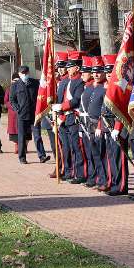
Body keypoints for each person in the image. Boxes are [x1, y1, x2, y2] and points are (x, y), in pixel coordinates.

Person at [52, 51, 86, 182]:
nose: (67, 68)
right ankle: (68, 171)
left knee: (76, 147)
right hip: (64, 118)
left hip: (73, 117)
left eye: (70, 66)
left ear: (77, 68)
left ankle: (79, 173)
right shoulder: (67, 81)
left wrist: (62, 107)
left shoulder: (79, 82)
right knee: (66, 147)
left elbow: (76, 100)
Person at [99, 54, 129, 196]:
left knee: (119, 157)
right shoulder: (108, 87)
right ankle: (114, 182)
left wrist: (117, 128)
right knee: (111, 156)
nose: (108, 76)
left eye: (110, 72)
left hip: (118, 127)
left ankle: (122, 185)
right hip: (108, 125)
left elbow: (121, 109)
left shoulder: (120, 87)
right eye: (107, 72)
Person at [85, 57, 109, 189]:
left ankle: (104, 180)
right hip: (90, 124)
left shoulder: (105, 88)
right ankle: (99, 178)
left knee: (101, 154)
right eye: (94, 72)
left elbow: (103, 110)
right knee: (94, 153)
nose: (96, 74)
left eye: (99, 71)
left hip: (100, 125)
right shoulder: (94, 87)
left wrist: (100, 125)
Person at [10, 66, 40, 164]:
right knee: (22, 137)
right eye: (22, 73)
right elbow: (12, 100)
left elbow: (40, 95)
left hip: (33, 114)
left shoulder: (35, 83)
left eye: (26, 73)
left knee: (37, 136)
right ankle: (22, 157)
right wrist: (17, 109)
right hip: (22, 114)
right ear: (19, 74)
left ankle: (42, 156)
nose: (25, 75)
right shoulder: (15, 85)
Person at [4, 75, 19, 154]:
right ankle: (17, 146)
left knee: (24, 131)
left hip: (22, 112)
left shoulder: (23, 88)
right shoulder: (8, 89)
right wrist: (13, 106)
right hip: (13, 113)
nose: (15, 83)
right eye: (14, 81)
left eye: (17, 80)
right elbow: (6, 101)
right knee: (14, 131)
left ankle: (23, 146)